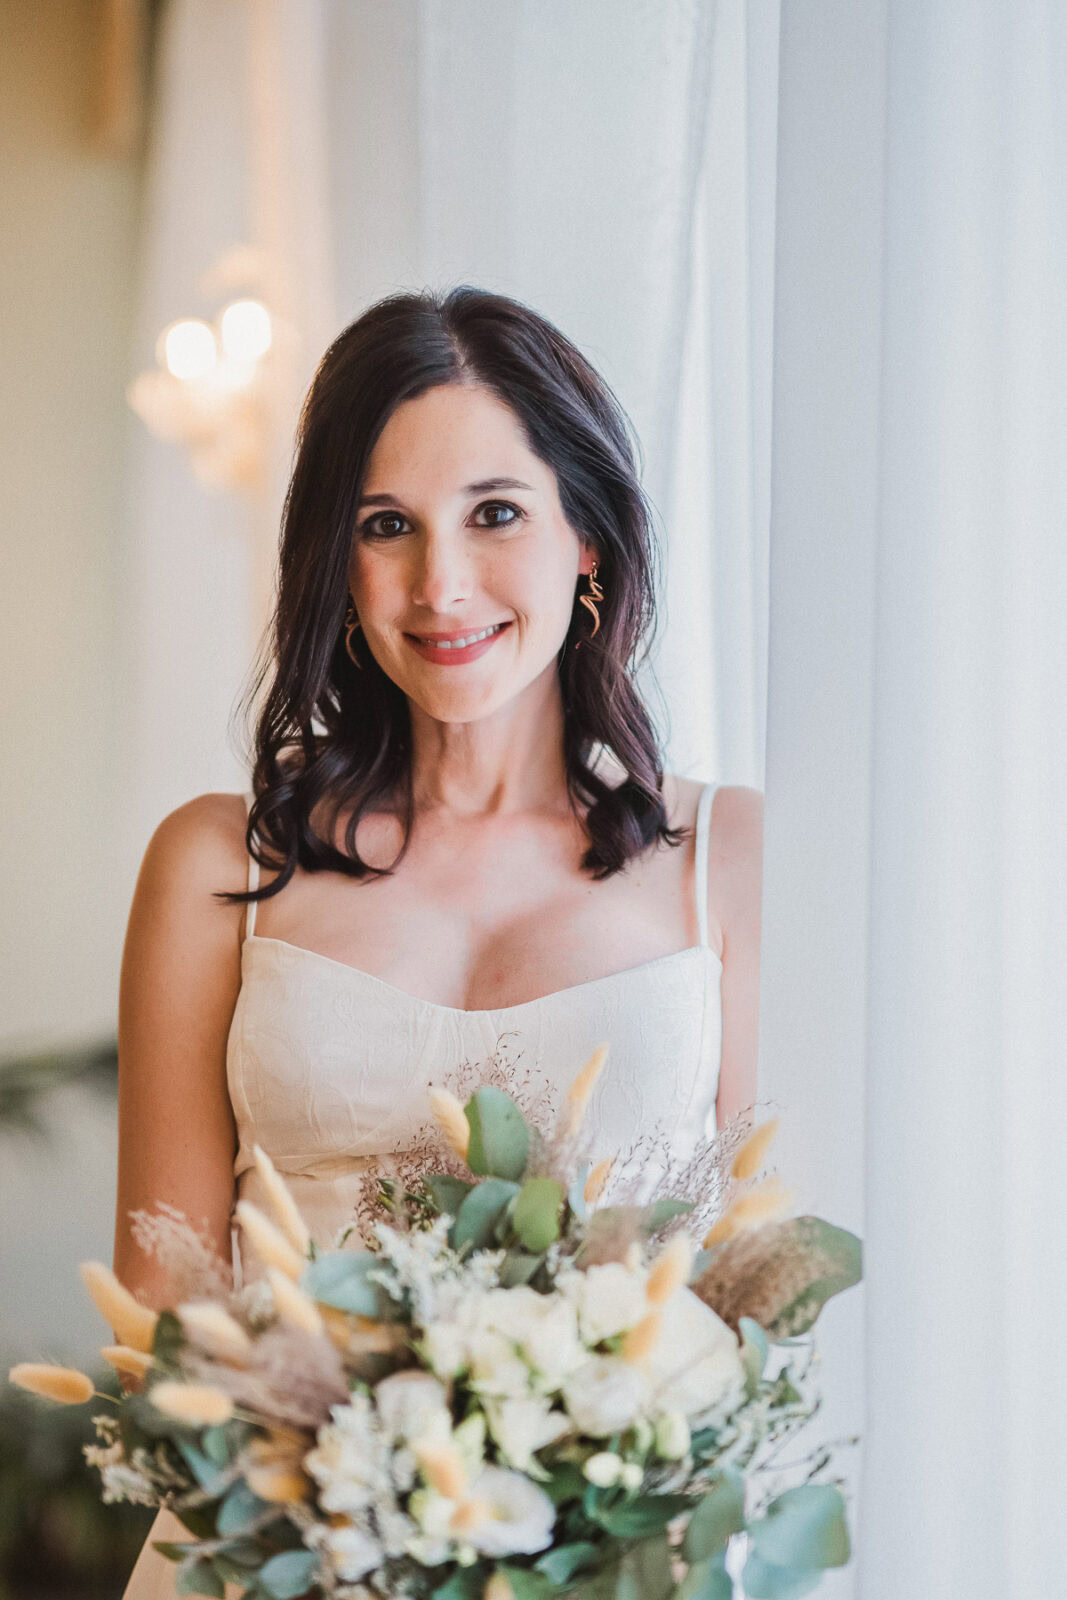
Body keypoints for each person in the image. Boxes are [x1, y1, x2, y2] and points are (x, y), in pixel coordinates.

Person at [113, 285, 763, 1598]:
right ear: (335, 563)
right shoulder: (215, 863)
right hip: (278, 1555)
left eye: (497, 513)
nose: (441, 583)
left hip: (617, 1558)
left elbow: (761, 1279)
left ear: (589, 539)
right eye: (386, 526)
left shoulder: (731, 861)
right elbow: (161, 1300)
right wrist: (356, 1524)